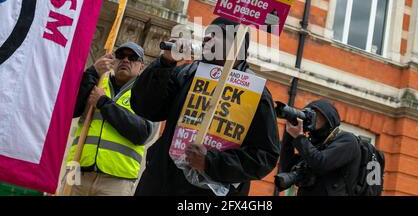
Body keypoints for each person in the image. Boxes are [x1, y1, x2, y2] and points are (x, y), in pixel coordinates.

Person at [130, 17, 280, 196]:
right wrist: (165, 64)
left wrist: (210, 162)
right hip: (159, 185)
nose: (207, 39)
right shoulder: (186, 74)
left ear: (236, 46)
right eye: (207, 34)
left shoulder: (255, 93)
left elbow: (265, 155)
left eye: (216, 35)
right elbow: (145, 107)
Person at [65, 42, 158, 196]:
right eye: (120, 56)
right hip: (76, 171)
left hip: (116, 181)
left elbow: (142, 133)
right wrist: (92, 72)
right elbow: (70, 109)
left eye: (132, 57)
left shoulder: (148, 95)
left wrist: (103, 103)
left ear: (141, 67)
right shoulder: (97, 83)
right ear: (113, 61)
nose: (125, 60)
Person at [279, 99, 361, 196]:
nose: (311, 117)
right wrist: (289, 136)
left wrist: (299, 137)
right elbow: (287, 167)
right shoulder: (312, 144)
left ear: (329, 118)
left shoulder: (347, 140)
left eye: (316, 114)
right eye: (308, 113)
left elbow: (321, 162)